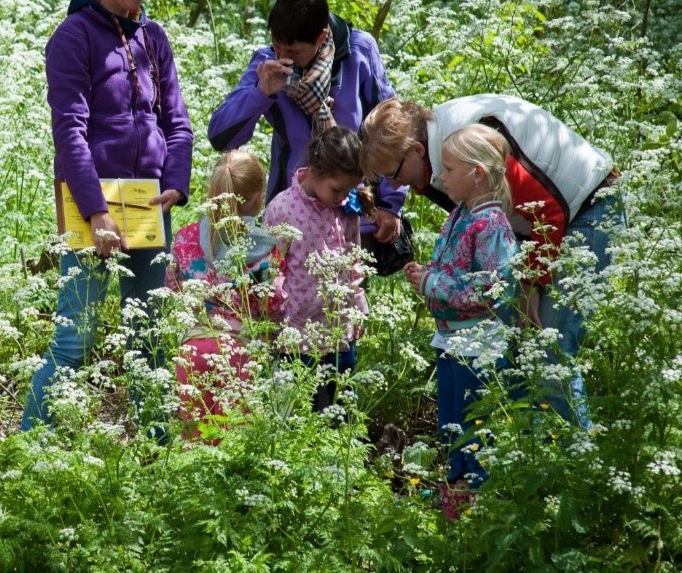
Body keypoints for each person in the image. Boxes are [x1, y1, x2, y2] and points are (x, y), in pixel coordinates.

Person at [20, 0, 194, 431]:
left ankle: (158, 451)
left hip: (147, 205)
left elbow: (177, 123)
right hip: (90, 206)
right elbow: (69, 133)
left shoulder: (155, 38)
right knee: (74, 341)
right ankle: (29, 447)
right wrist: (96, 212)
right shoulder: (73, 37)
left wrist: (175, 186)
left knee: (151, 337)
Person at [360, 94, 621, 427]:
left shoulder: (468, 145)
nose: (395, 185)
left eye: (393, 173)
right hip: (538, 226)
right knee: (516, 348)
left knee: (547, 348)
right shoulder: (440, 162)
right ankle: (527, 456)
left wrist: (530, 285)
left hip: (588, 209)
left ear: (417, 150)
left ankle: (574, 462)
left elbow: (547, 213)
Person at [208, 0, 404, 245]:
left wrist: (391, 205)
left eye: (294, 52)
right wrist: (261, 93)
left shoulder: (359, 52)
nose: (283, 58)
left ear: (321, 38)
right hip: (290, 218)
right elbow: (220, 137)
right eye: (277, 47)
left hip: (353, 212)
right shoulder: (266, 63)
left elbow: (392, 130)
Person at [402, 124, 519, 516]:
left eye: (449, 169)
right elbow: (453, 270)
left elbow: (495, 291)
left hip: (479, 343)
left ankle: (475, 500)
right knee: (451, 421)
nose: (439, 177)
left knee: (474, 423)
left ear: (478, 174)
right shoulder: (461, 216)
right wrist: (426, 275)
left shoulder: (493, 226)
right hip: (451, 339)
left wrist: (433, 283)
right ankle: (455, 491)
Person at [167, 151, 283, 439]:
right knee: (234, 444)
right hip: (239, 350)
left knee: (195, 439)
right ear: (259, 198)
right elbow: (274, 304)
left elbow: (172, 287)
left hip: (192, 350)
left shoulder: (185, 238)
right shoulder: (268, 248)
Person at [262, 127, 371, 412]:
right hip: (298, 336)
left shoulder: (346, 209)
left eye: (348, 190)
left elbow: (353, 261)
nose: (342, 197)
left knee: (338, 410)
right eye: (337, 189)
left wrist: (358, 305)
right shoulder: (283, 209)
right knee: (299, 412)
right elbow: (271, 269)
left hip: (339, 332)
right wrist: (272, 323)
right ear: (313, 170)